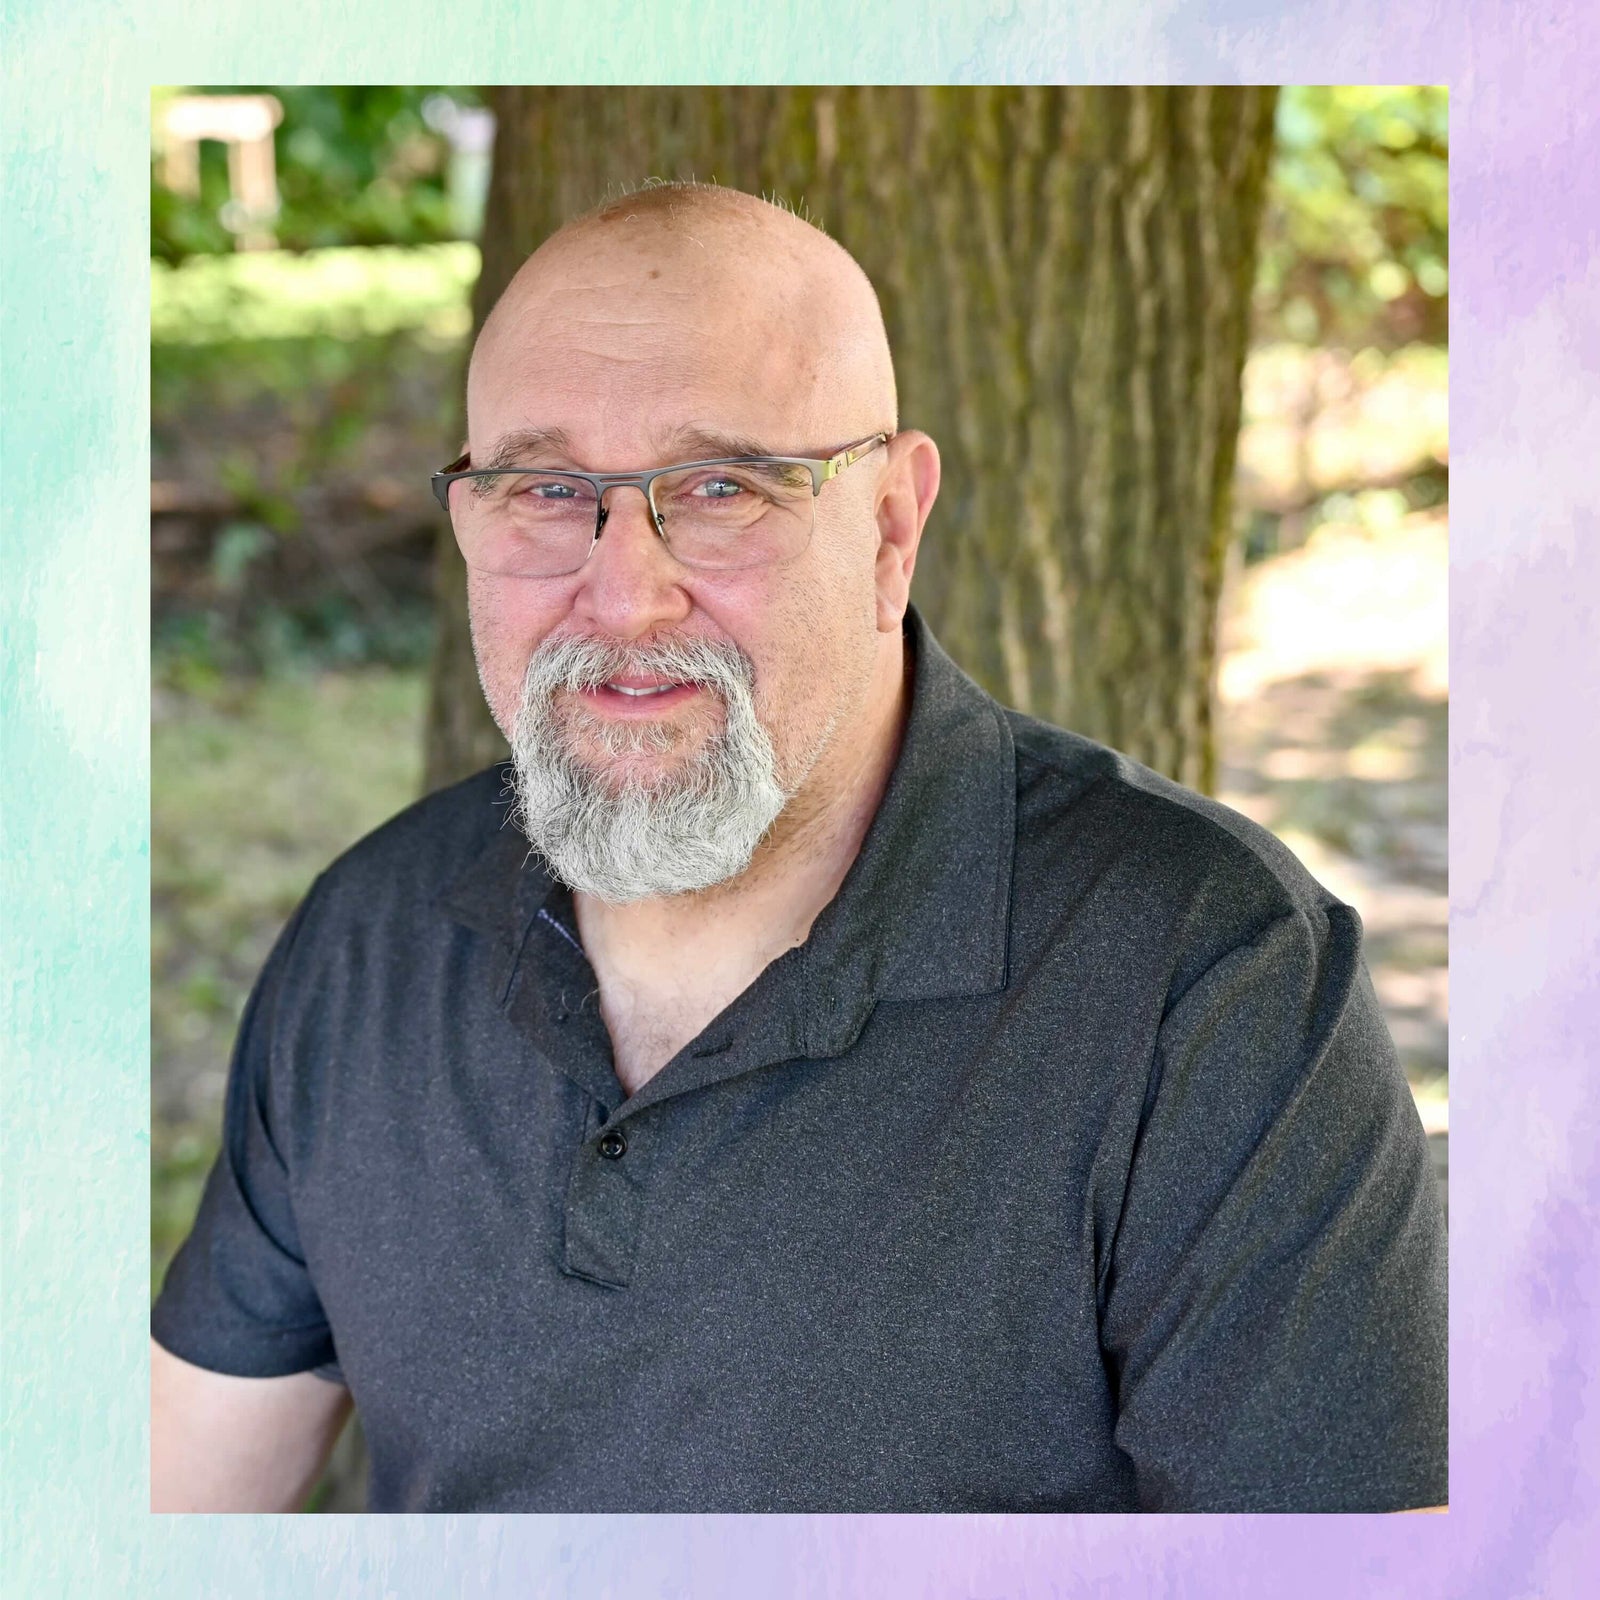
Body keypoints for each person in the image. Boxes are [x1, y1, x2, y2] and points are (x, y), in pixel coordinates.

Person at [150, 181, 1447, 1514]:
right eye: (545, 488)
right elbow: (170, 1512)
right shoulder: (373, 937)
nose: (623, 590)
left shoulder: (1214, 983)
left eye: (719, 488)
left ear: (891, 528)